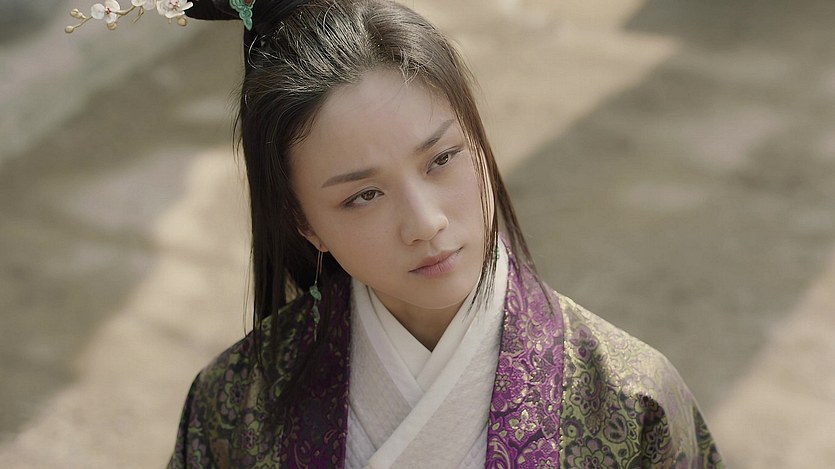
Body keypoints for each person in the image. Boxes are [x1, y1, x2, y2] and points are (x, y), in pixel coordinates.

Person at [158, 0, 724, 467]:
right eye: (363, 195)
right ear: (304, 222)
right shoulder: (234, 403)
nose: (426, 223)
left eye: (442, 159)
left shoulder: (630, 399)